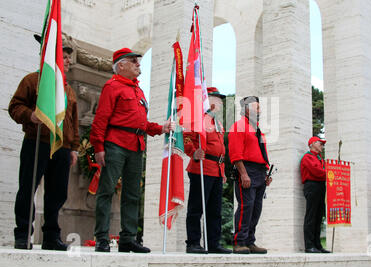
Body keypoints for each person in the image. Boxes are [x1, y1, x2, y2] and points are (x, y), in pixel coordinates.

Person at [90, 48, 174, 253]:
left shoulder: (138, 90)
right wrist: (99, 147)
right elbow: (101, 119)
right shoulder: (112, 86)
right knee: (107, 191)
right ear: (121, 65)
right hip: (115, 144)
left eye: (138, 61)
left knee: (133, 194)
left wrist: (160, 128)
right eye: (134, 61)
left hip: (136, 146)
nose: (138, 64)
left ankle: (128, 238)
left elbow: (141, 123)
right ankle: (101, 237)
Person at [8, 36, 79, 250]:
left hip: (62, 147)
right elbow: (15, 106)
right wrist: (30, 116)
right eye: (63, 56)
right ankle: (23, 234)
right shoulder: (33, 81)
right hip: (36, 141)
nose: (67, 61)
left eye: (68, 57)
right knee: (28, 188)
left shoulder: (68, 90)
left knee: (57, 193)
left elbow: (73, 122)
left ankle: (50, 236)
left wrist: (74, 148)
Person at [183, 87, 232, 254]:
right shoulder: (198, 119)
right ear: (207, 100)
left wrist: (223, 170)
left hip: (216, 170)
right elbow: (187, 137)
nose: (220, 102)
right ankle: (193, 242)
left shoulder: (216, 122)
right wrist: (193, 152)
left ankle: (213, 243)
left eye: (220, 99)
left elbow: (221, 149)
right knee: (196, 208)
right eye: (217, 99)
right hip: (201, 167)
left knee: (215, 210)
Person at [228, 96, 272, 254]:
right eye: (257, 107)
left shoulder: (257, 128)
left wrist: (266, 172)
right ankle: (239, 241)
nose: (260, 110)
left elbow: (262, 152)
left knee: (256, 208)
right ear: (247, 109)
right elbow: (235, 154)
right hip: (246, 169)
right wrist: (244, 174)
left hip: (260, 172)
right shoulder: (239, 126)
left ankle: (250, 241)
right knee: (246, 206)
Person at [300, 136, 330, 253]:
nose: (322, 146)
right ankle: (309, 245)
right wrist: (330, 173)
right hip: (312, 185)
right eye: (320, 143)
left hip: (321, 186)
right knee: (311, 216)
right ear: (312, 144)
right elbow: (316, 171)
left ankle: (318, 245)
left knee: (319, 216)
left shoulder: (319, 158)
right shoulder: (308, 157)